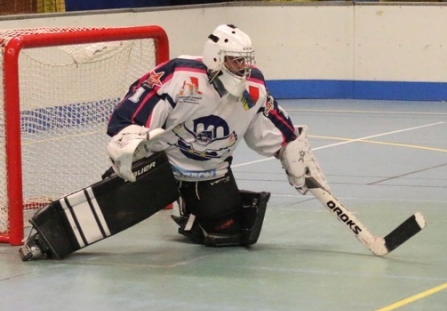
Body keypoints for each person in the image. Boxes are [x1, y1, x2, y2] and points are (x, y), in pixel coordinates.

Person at [20, 24, 328, 259]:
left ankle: (189, 211)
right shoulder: (179, 75)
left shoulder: (254, 89)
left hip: (210, 170)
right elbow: (128, 115)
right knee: (109, 211)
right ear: (216, 58)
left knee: (230, 234)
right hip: (160, 166)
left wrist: (293, 151)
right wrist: (129, 142)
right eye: (236, 62)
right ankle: (46, 239)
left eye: (245, 62)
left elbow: (275, 127)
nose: (243, 69)